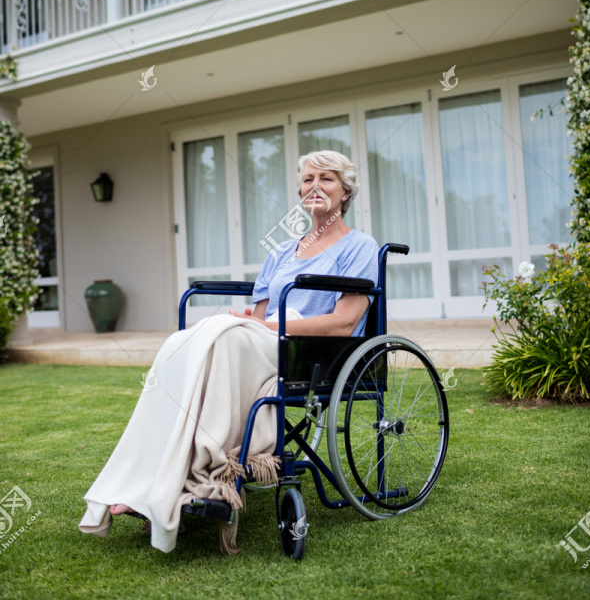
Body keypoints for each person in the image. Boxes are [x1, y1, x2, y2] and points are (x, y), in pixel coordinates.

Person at [78, 150, 379, 554]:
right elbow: (255, 316)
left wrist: (268, 326)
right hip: (267, 339)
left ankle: (196, 473)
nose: (315, 187)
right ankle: (152, 478)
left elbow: (344, 321)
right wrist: (253, 323)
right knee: (181, 341)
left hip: (314, 351)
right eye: (308, 179)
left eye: (327, 179)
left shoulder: (359, 246)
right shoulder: (282, 252)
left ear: (345, 191)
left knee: (226, 337)